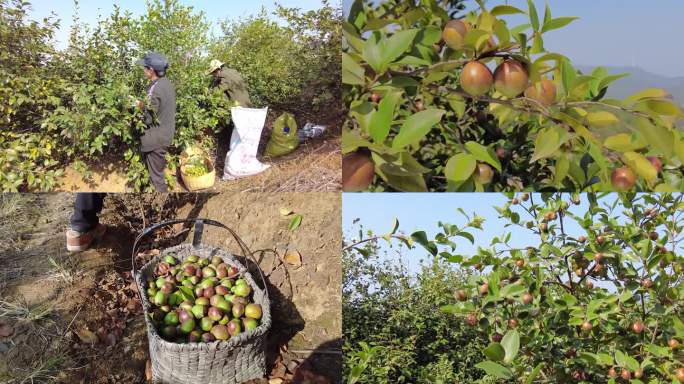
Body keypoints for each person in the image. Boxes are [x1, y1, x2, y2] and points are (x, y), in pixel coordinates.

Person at [135, 52, 176, 192]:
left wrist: (140, 106)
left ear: (151, 70)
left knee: (157, 179)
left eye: (145, 67)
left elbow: (148, 118)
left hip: (157, 140)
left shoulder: (156, 89)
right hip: (164, 135)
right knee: (157, 172)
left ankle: (162, 197)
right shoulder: (166, 83)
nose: (144, 70)